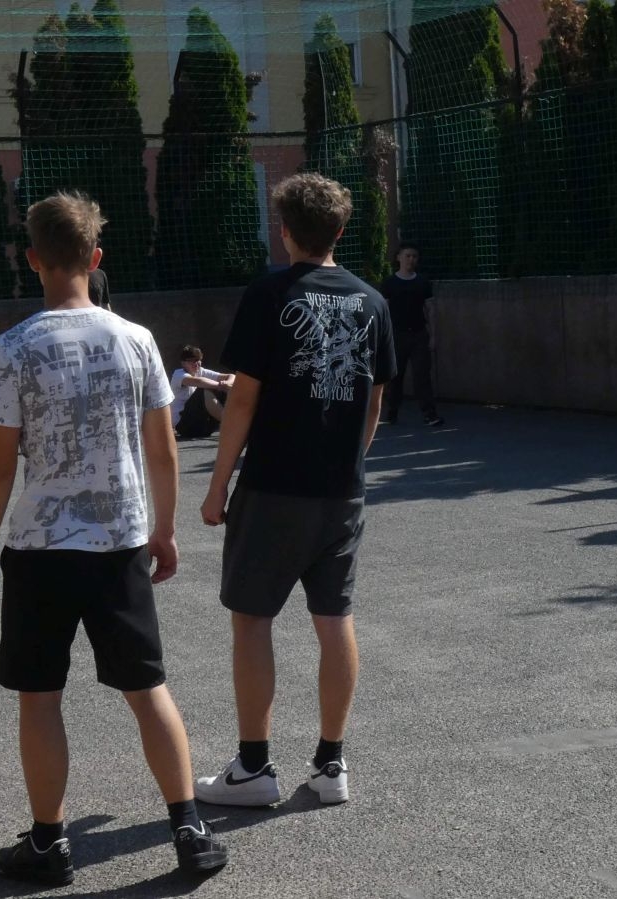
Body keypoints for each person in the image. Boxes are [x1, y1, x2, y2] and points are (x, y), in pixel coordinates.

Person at [0, 191, 227, 884]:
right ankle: (190, 829)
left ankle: (48, 843)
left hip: (40, 547)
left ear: (32, 260)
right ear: (96, 256)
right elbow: (163, 450)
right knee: (147, 687)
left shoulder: (12, 347)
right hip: (119, 542)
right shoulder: (135, 339)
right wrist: (163, 531)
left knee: (39, 696)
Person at [196, 173, 396, 808]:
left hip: (274, 487)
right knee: (334, 619)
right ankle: (331, 765)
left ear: (284, 231)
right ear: (341, 230)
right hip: (342, 492)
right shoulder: (372, 302)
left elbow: (243, 400)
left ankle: (254, 768)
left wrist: (217, 486)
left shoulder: (268, 293)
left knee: (253, 620)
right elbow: (374, 403)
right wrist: (348, 464)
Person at [379, 242, 443, 427]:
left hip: (419, 334)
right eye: (407, 255)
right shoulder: (389, 283)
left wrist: (433, 336)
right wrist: (383, 337)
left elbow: (430, 309)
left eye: (414, 256)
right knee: (395, 376)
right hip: (396, 335)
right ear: (398, 257)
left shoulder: (422, 282)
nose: (411, 259)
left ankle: (429, 414)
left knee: (422, 375)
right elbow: (383, 310)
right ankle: (392, 411)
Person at [170, 345, 234, 440]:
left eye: (198, 360)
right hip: (185, 426)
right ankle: (232, 424)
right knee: (204, 389)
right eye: (191, 361)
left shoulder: (201, 371)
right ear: (183, 363)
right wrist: (221, 386)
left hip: (203, 425)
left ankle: (238, 420)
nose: (196, 363)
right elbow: (199, 381)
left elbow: (231, 376)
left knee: (221, 390)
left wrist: (227, 383)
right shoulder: (178, 374)